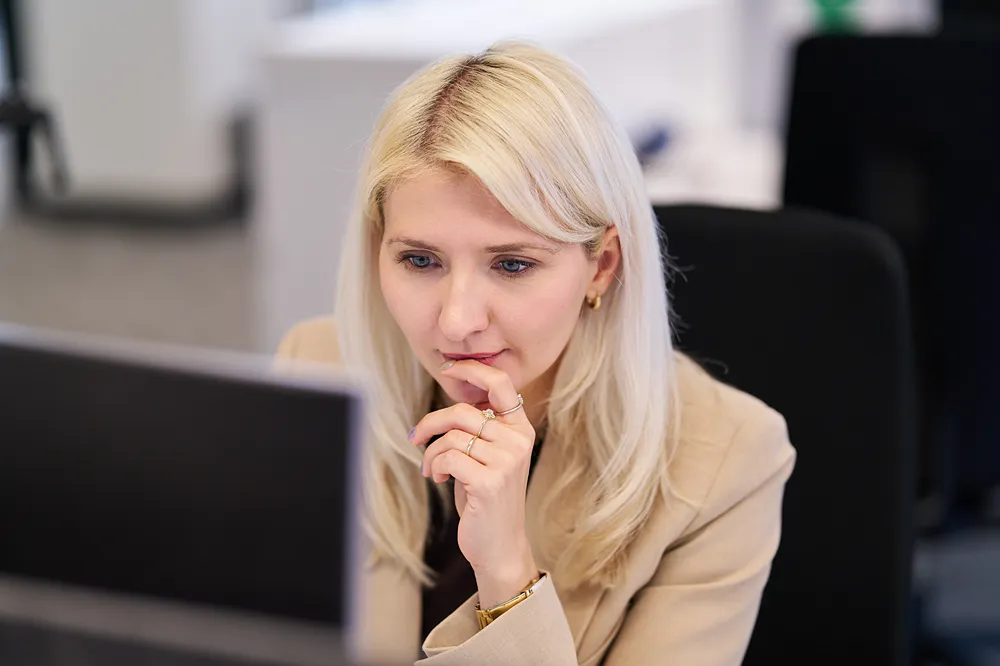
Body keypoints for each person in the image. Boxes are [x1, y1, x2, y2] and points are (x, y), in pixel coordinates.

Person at [276, 41, 796, 665]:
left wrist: (506, 575)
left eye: (513, 264)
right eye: (419, 260)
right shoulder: (321, 367)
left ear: (601, 267)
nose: (458, 321)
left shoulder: (727, 460)